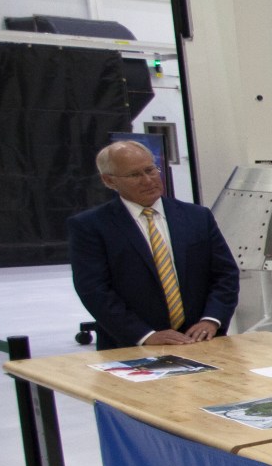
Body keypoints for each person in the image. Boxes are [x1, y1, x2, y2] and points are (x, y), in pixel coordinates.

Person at [67, 139, 240, 350]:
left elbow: (225, 274)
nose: (148, 180)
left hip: (200, 341)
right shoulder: (91, 226)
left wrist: (211, 319)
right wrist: (145, 335)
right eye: (134, 175)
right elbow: (94, 290)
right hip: (131, 347)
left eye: (150, 170)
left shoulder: (197, 217)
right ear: (109, 181)